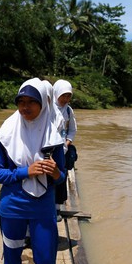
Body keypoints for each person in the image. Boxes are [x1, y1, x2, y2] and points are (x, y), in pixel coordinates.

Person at [0, 78, 66, 264]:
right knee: (11, 254)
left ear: (44, 104)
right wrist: (25, 172)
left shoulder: (53, 136)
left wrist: (54, 173)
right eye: (21, 101)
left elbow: (62, 175)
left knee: (44, 256)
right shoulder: (6, 133)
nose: (25, 107)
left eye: (32, 101)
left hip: (43, 206)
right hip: (13, 204)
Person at [53, 80, 78, 212]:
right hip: (48, 149)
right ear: (56, 93)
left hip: (63, 149)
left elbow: (72, 130)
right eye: (63, 95)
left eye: (69, 96)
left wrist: (67, 143)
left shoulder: (68, 110)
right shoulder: (48, 108)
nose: (66, 99)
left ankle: (57, 207)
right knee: (46, 176)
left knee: (60, 176)